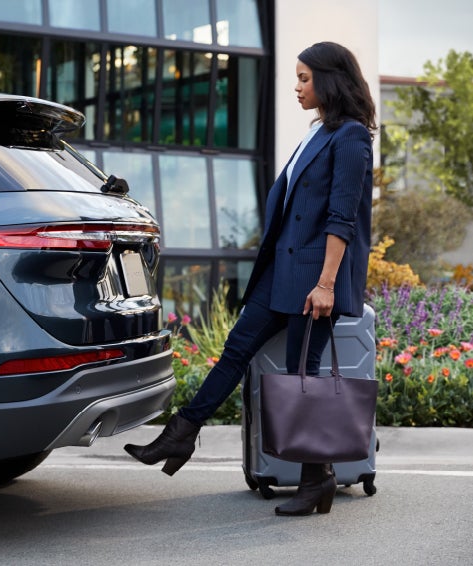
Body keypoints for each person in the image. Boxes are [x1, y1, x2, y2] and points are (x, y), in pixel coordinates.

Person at [125, 41, 376, 516]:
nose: (297, 86)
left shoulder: (351, 137)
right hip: (282, 272)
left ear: (330, 79)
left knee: (306, 378)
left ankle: (314, 480)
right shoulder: (316, 132)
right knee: (236, 349)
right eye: (297, 77)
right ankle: (181, 434)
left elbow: (341, 218)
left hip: (314, 279)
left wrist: (325, 285)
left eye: (304, 78)